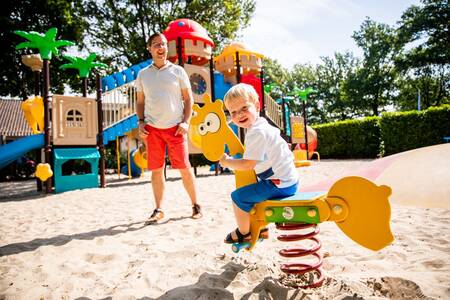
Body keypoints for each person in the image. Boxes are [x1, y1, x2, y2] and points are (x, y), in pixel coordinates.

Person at [219, 83, 299, 243]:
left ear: (256, 105)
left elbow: (247, 165)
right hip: (289, 180)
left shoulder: (256, 132)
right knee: (254, 188)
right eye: (233, 112)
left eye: (244, 108)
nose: (239, 115)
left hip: (280, 184)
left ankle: (244, 233)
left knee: (238, 197)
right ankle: (262, 229)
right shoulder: (262, 125)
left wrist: (227, 162)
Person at [136, 32, 202, 224]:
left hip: (176, 128)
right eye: (156, 44)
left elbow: (188, 99)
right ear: (149, 49)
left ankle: (195, 204)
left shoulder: (178, 71)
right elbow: (140, 101)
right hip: (152, 129)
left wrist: (186, 122)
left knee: (184, 168)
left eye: (163, 44)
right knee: (156, 170)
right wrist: (140, 121)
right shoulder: (143, 75)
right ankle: (159, 209)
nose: (161, 48)